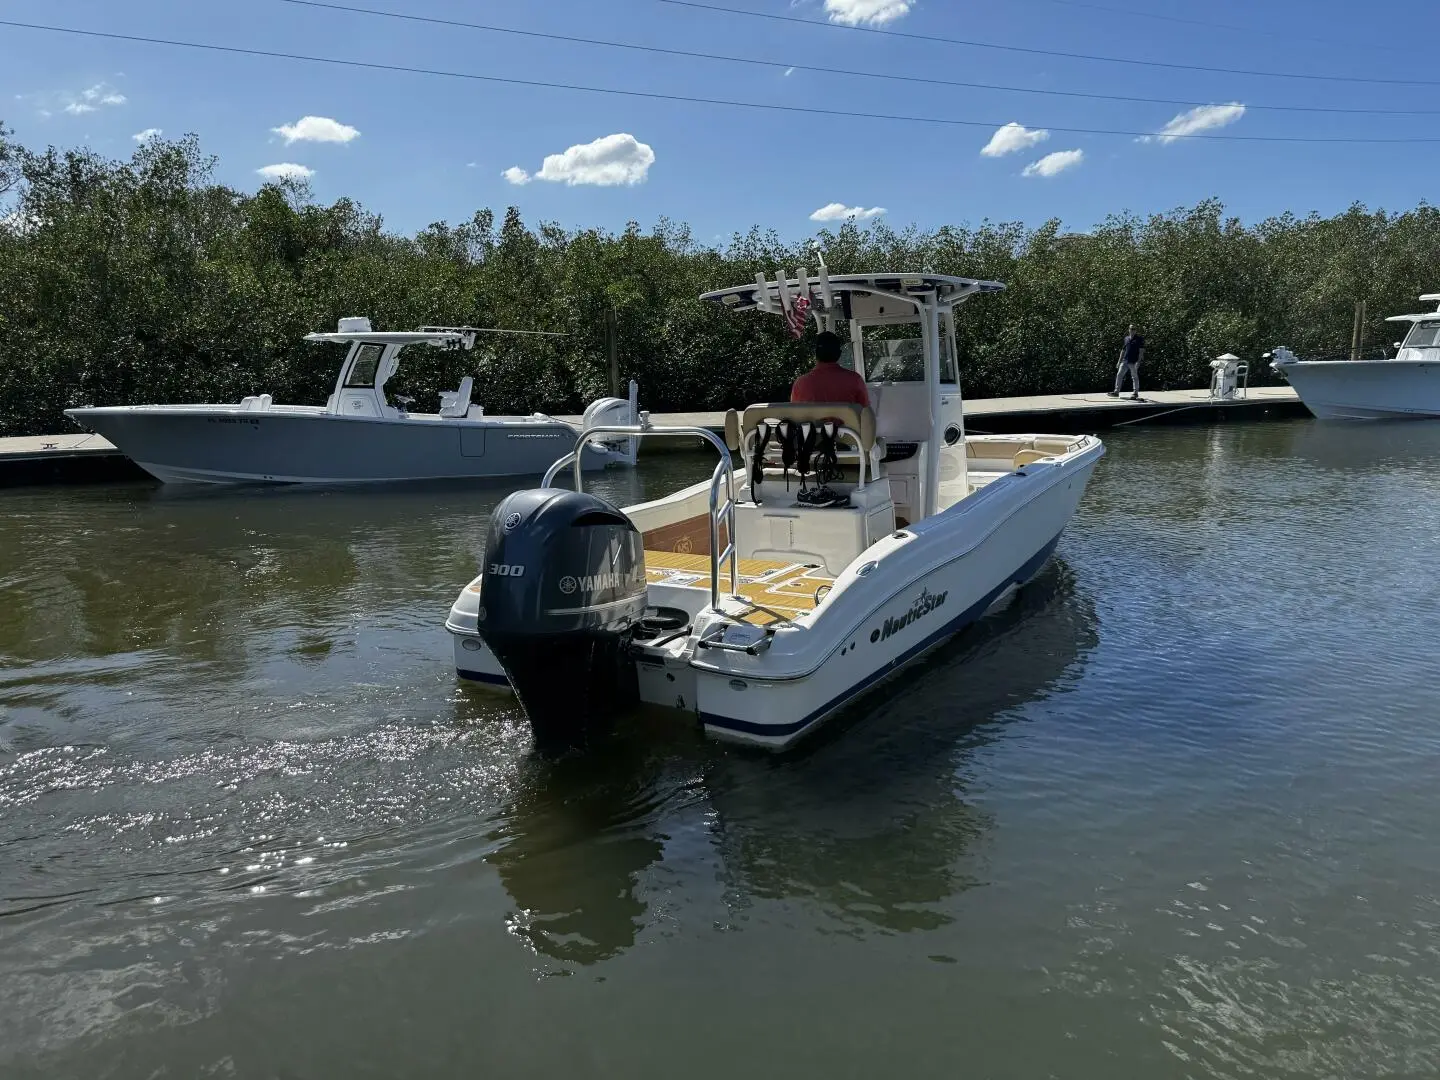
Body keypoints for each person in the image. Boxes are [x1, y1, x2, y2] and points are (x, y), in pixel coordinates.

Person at [791, 331, 870, 407]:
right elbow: (865, 411)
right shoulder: (855, 380)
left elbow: (796, 413)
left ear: (815, 353)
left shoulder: (800, 383)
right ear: (839, 354)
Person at [1109, 324, 1145, 400]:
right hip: (1125, 361)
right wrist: (1119, 361)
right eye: (1131, 329)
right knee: (1119, 375)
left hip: (1133, 361)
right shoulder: (1126, 338)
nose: (1132, 330)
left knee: (1134, 377)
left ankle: (1135, 393)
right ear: (1129, 329)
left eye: (1134, 329)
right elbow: (1123, 350)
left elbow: (1141, 351)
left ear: (1136, 330)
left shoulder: (1139, 339)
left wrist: (1138, 362)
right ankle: (1116, 392)